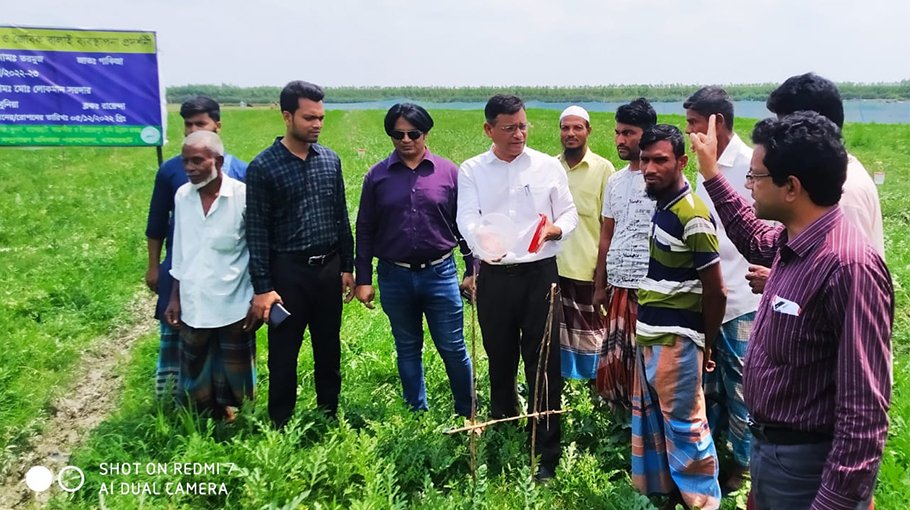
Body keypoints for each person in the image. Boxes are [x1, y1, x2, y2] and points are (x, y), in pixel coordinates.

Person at [691, 112, 893, 509]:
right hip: (775, 456)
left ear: (791, 188)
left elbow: (864, 414)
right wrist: (712, 174)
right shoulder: (794, 244)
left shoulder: (846, 266)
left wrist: (834, 502)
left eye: (756, 177)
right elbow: (750, 232)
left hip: (810, 470)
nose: (749, 186)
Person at [456, 94, 578, 481]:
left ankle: (546, 449)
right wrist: (484, 243)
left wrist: (557, 229)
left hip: (540, 274)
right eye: (509, 128)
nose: (518, 134)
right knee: (500, 355)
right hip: (495, 276)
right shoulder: (473, 170)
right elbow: (466, 219)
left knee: (543, 362)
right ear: (489, 129)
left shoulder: (546, 166)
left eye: (523, 125)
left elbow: (569, 211)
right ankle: (504, 427)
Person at [245, 80, 355, 427]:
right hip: (287, 274)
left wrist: (347, 267)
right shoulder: (264, 167)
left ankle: (328, 412)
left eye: (321, 117)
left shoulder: (330, 161)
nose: (317, 124)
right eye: (309, 118)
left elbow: (341, 215)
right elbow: (257, 232)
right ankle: (280, 420)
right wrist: (263, 287)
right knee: (283, 351)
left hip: (327, 269)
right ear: (287, 116)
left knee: (328, 346)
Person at [354, 103, 474, 417]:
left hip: (440, 273)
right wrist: (363, 278)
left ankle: (468, 411)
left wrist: (472, 269)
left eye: (413, 133)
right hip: (394, 277)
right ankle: (415, 413)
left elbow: (465, 225)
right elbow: (365, 228)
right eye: (398, 134)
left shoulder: (448, 172)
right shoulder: (377, 176)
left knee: (453, 348)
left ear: (426, 132)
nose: (406, 140)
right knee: (407, 348)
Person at [631, 124, 725, 510]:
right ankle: (669, 491)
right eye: (645, 159)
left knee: (687, 425)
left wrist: (708, 341)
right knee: (661, 420)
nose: (649, 168)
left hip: (677, 339)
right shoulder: (665, 208)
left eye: (660, 160)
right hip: (654, 334)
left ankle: (703, 501)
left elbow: (716, 290)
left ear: (682, 162)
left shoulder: (693, 215)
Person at [145, 96, 248, 399]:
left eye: (199, 124)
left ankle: (231, 407)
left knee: (231, 349)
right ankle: (185, 401)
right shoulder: (175, 181)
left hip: (230, 282)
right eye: (187, 124)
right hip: (187, 275)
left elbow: (255, 240)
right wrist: (158, 271)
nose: (192, 130)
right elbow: (161, 228)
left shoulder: (242, 177)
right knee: (187, 342)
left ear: (217, 125)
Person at [747, 72, 885, 294]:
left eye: (785, 127)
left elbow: (850, 284)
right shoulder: (820, 178)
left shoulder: (845, 192)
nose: (777, 138)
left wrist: (776, 281)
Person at [684, 86, 758, 491]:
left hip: (744, 296)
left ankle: (744, 465)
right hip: (710, 293)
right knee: (710, 383)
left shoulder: (750, 165)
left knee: (743, 383)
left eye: (694, 123)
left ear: (718, 123)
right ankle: (710, 454)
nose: (689, 131)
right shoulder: (702, 163)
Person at [163, 131, 257, 421]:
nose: (189, 168)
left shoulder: (242, 197)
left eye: (197, 161)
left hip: (234, 300)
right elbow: (179, 248)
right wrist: (174, 297)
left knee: (236, 369)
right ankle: (202, 417)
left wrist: (258, 297)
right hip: (193, 300)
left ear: (217, 161)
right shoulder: (182, 196)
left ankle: (241, 421)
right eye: (185, 162)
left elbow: (257, 250)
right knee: (195, 366)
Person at [593, 98, 657, 410]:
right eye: (618, 132)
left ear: (647, 134)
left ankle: (646, 423)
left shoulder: (661, 180)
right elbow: (606, 234)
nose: (620, 139)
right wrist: (598, 286)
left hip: (650, 288)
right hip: (618, 285)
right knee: (618, 361)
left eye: (628, 133)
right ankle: (622, 421)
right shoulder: (616, 181)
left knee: (647, 363)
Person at [554, 105, 615, 381]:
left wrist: (602, 274)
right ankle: (564, 387)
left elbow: (608, 227)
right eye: (565, 128)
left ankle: (594, 390)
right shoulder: (550, 168)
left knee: (592, 337)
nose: (571, 133)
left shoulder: (603, 170)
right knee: (557, 338)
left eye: (577, 127)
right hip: (554, 269)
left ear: (588, 131)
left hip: (588, 269)